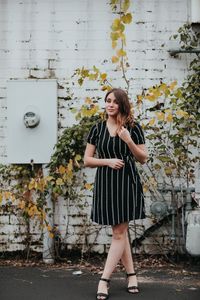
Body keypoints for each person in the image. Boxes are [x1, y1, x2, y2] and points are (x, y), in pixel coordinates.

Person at [84, 88, 148, 300]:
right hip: (106, 184)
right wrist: (108, 161)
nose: (110, 104)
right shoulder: (97, 128)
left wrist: (128, 140)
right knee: (120, 232)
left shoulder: (132, 128)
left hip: (126, 183)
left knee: (119, 232)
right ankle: (131, 276)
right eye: (107, 101)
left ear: (122, 105)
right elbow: (87, 160)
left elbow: (143, 158)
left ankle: (104, 280)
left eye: (115, 102)